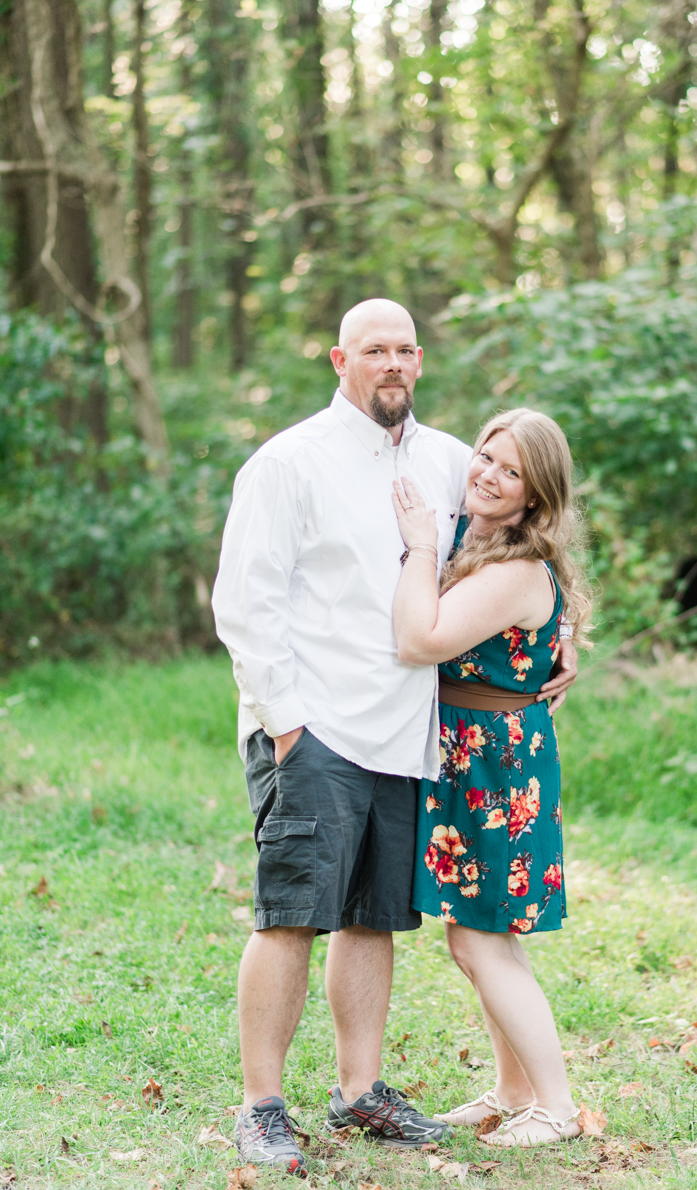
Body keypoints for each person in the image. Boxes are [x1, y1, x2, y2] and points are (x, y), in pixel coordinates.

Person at [212, 300, 578, 1173]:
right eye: (374, 349)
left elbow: (521, 538)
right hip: (315, 728)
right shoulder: (289, 462)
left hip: (410, 736)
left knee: (371, 920)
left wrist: (557, 640)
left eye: (406, 350)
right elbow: (245, 603)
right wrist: (287, 724)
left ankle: (360, 1090)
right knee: (291, 916)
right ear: (341, 358)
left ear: (420, 360)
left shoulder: (451, 459)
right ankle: (262, 1104)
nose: (393, 364)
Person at [390, 407, 591, 1148]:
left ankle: (558, 1106)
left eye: (512, 471)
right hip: (473, 754)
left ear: (536, 496)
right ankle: (512, 1090)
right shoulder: (487, 545)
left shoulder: (512, 568)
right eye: (487, 456)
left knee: (484, 941)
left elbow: (421, 638)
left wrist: (417, 549)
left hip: (496, 765)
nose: (489, 475)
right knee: (476, 934)